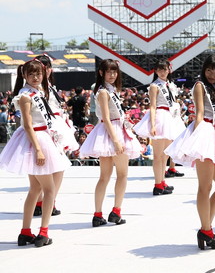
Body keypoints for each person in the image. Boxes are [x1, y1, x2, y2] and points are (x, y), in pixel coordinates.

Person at [165, 54, 215, 250]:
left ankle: (205, 227)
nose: (212, 74)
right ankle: (206, 229)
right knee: (205, 186)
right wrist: (196, 140)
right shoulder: (200, 86)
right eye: (209, 70)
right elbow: (199, 114)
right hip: (205, 134)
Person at [0, 59, 71, 247]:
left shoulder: (38, 91)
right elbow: (27, 125)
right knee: (49, 189)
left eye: (38, 73)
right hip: (37, 141)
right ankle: (43, 232)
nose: (35, 77)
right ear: (24, 75)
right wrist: (39, 150)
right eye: (31, 74)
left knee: (35, 189)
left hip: (42, 138)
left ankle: (25, 232)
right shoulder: (25, 95)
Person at [79, 59, 141, 227]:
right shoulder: (104, 92)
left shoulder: (108, 90)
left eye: (114, 72)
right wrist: (116, 140)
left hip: (107, 131)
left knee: (105, 177)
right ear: (101, 73)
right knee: (121, 175)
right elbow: (106, 118)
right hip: (113, 132)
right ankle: (116, 211)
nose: (112, 75)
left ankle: (98, 214)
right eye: (109, 72)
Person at [31, 54, 79, 217]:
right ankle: (47, 202)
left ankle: (44, 202)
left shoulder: (48, 86)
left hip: (56, 125)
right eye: (42, 68)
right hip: (48, 127)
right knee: (54, 166)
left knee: (53, 166)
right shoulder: (37, 88)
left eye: (47, 68)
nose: (46, 71)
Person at [133, 59, 185, 195]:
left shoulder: (170, 85)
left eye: (165, 69)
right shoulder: (154, 86)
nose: (162, 72)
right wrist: (152, 124)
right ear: (156, 71)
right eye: (160, 69)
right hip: (160, 117)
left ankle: (162, 181)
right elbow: (152, 106)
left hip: (171, 118)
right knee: (158, 155)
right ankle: (157, 185)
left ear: (169, 70)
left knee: (165, 155)